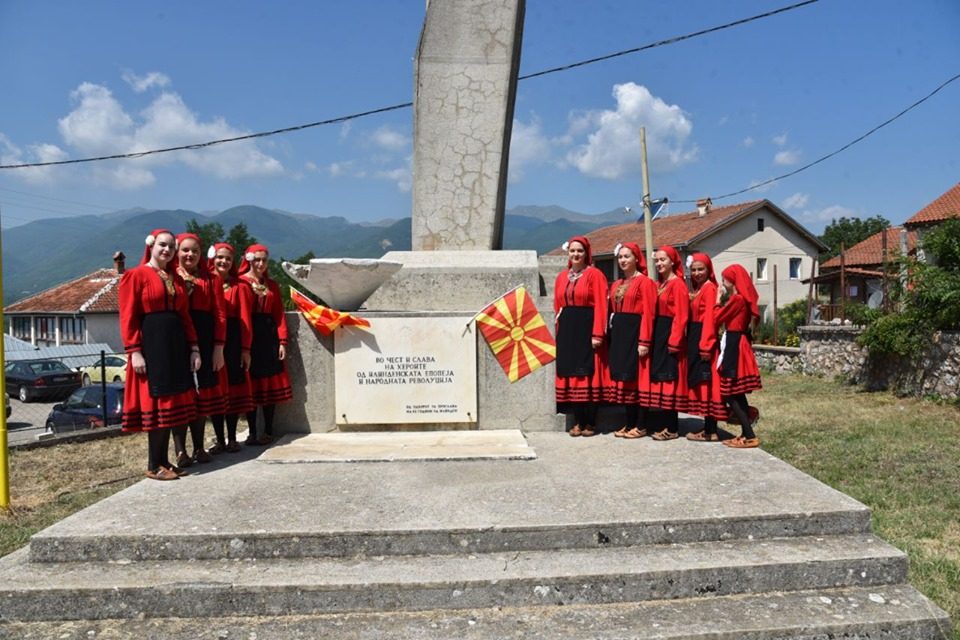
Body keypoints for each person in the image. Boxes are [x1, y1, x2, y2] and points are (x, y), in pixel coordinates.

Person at [119, 229, 200, 481]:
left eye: (171, 247)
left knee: (171, 405)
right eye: (162, 245)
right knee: (158, 403)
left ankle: (165, 461)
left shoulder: (176, 278)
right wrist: (134, 351)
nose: (167, 250)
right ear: (151, 246)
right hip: (152, 347)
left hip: (175, 346)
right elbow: (128, 315)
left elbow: (185, 316)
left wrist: (194, 348)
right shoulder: (135, 275)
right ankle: (154, 464)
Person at [171, 233, 227, 466]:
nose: (190, 255)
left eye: (194, 250)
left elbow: (220, 314)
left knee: (201, 395)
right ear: (178, 251)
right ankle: (180, 451)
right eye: (185, 250)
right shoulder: (169, 276)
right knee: (179, 394)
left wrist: (218, 348)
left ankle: (199, 447)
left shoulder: (211, 279)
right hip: (176, 338)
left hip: (204, 338)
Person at [238, 243, 293, 445]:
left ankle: (268, 430)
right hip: (250, 336)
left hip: (269, 337)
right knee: (251, 384)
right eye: (257, 259)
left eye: (264, 260)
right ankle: (252, 432)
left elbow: (278, 315)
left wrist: (282, 341)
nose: (261, 264)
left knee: (269, 385)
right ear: (249, 260)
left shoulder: (272, 285)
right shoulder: (241, 283)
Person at [554, 236, 608, 437]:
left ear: (587, 253)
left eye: (580, 251)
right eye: (572, 251)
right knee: (572, 376)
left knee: (587, 375)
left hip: (587, 328)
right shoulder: (561, 277)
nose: (576, 254)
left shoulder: (595, 275)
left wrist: (597, 334)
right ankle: (577, 421)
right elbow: (557, 306)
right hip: (568, 330)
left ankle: (590, 422)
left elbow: (602, 305)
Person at [605, 242, 656, 439]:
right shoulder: (617, 284)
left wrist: (644, 341)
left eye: (627, 256)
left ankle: (641, 425)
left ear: (636, 258)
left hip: (636, 334)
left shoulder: (645, 283)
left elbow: (649, 314)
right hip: (620, 336)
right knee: (625, 381)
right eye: (620, 257)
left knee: (638, 380)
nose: (623, 260)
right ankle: (629, 423)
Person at [207, 242, 254, 454]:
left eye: (227, 258)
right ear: (212, 259)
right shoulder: (204, 283)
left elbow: (245, 319)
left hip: (233, 342)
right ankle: (219, 439)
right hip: (211, 339)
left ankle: (233, 437)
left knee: (233, 389)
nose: (223, 261)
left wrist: (245, 349)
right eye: (219, 257)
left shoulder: (239, 287)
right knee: (216, 389)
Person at [715, 264, 764, 448]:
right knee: (736, 392)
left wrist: (717, 300)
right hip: (737, 342)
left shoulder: (737, 300)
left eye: (724, 279)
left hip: (735, 344)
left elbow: (717, 318)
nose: (723, 283)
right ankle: (746, 433)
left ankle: (749, 433)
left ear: (731, 280)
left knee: (730, 392)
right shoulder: (741, 299)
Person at [645, 245, 689, 441]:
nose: (659, 263)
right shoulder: (660, 284)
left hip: (670, 335)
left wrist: (674, 341)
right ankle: (662, 423)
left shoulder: (677, 284)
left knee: (669, 380)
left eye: (663, 260)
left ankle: (671, 427)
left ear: (672, 261)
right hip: (659, 334)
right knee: (661, 381)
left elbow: (681, 315)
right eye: (657, 260)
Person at [685, 253, 728, 441]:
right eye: (693, 270)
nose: (697, 273)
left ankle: (711, 431)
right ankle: (708, 428)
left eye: (701, 269)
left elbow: (710, 319)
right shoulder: (698, 289)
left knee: (708, 384)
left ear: (709, 269)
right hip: (696, 337)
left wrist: (706, 345)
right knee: (702, 384)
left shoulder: (709, 288)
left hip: (704, 339)